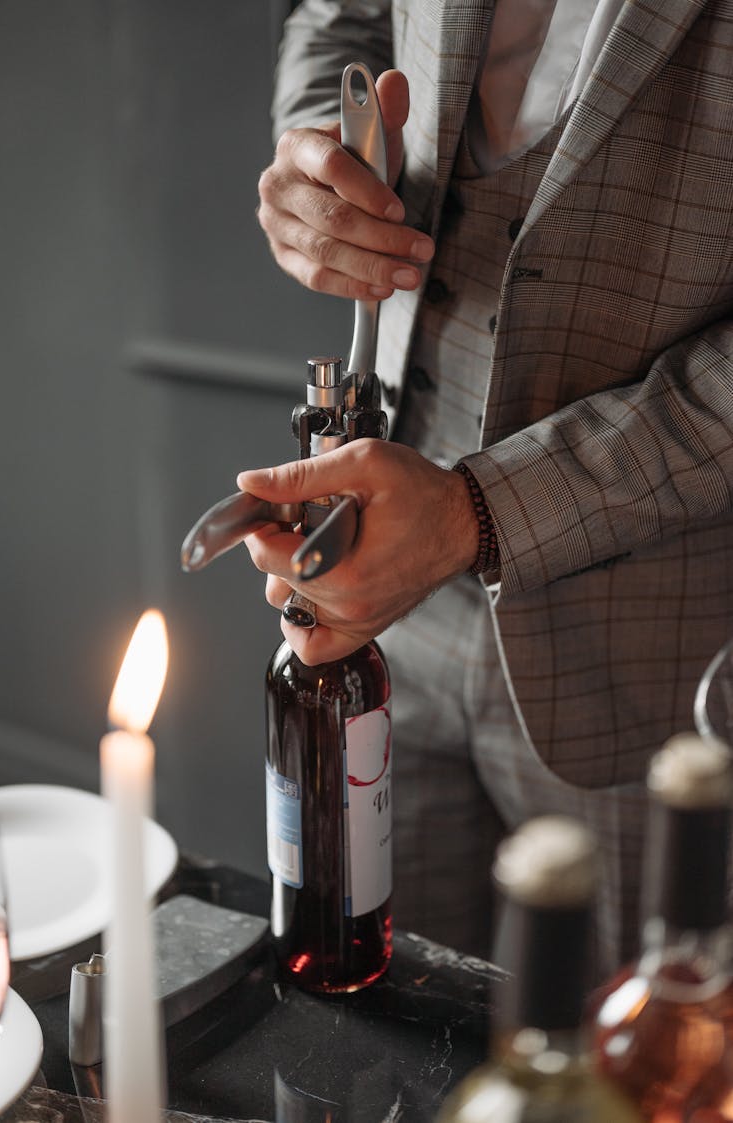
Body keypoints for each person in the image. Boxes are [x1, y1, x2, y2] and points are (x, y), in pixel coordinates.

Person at [240, 0, 733, 974]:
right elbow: (334, 16)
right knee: (373, 1009)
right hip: (385, 608)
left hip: (653, 653)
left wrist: (484, 509)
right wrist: (318, 155)